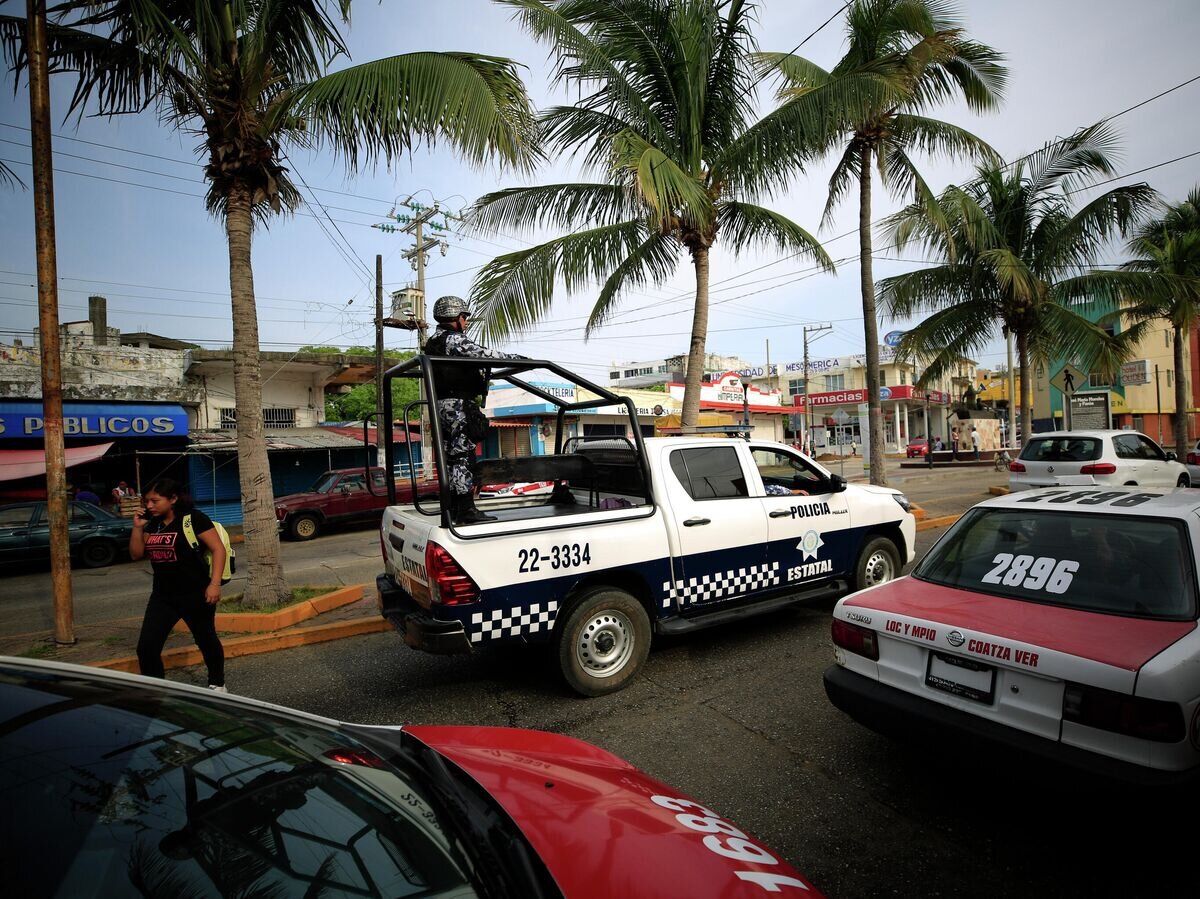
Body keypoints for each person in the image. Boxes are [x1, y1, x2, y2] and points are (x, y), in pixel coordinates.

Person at [424, 295, 526, 524]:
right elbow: (483, 354)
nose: (466, 322)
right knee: (462, 457)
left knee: (451, 457)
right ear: (457, 318)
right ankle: (466, 511)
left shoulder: (433, 341)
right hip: (458, 405)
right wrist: (519, 360)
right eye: (464, 317)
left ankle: (453, 508)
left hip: (442, 405)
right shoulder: (453, 340)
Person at [129, 478, 227, 692]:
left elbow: (218, 549)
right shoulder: (152, 524)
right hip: (162, 596)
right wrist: (137, 528)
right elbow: (136, 554)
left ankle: (217, 684)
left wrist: (215, 584)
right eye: (147, 501)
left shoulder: (193, 519)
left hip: (195, 593)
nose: (149, 506)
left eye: (155, 501)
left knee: (205, 639)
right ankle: (156, 690)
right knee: (146, 647)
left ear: (173, 499)